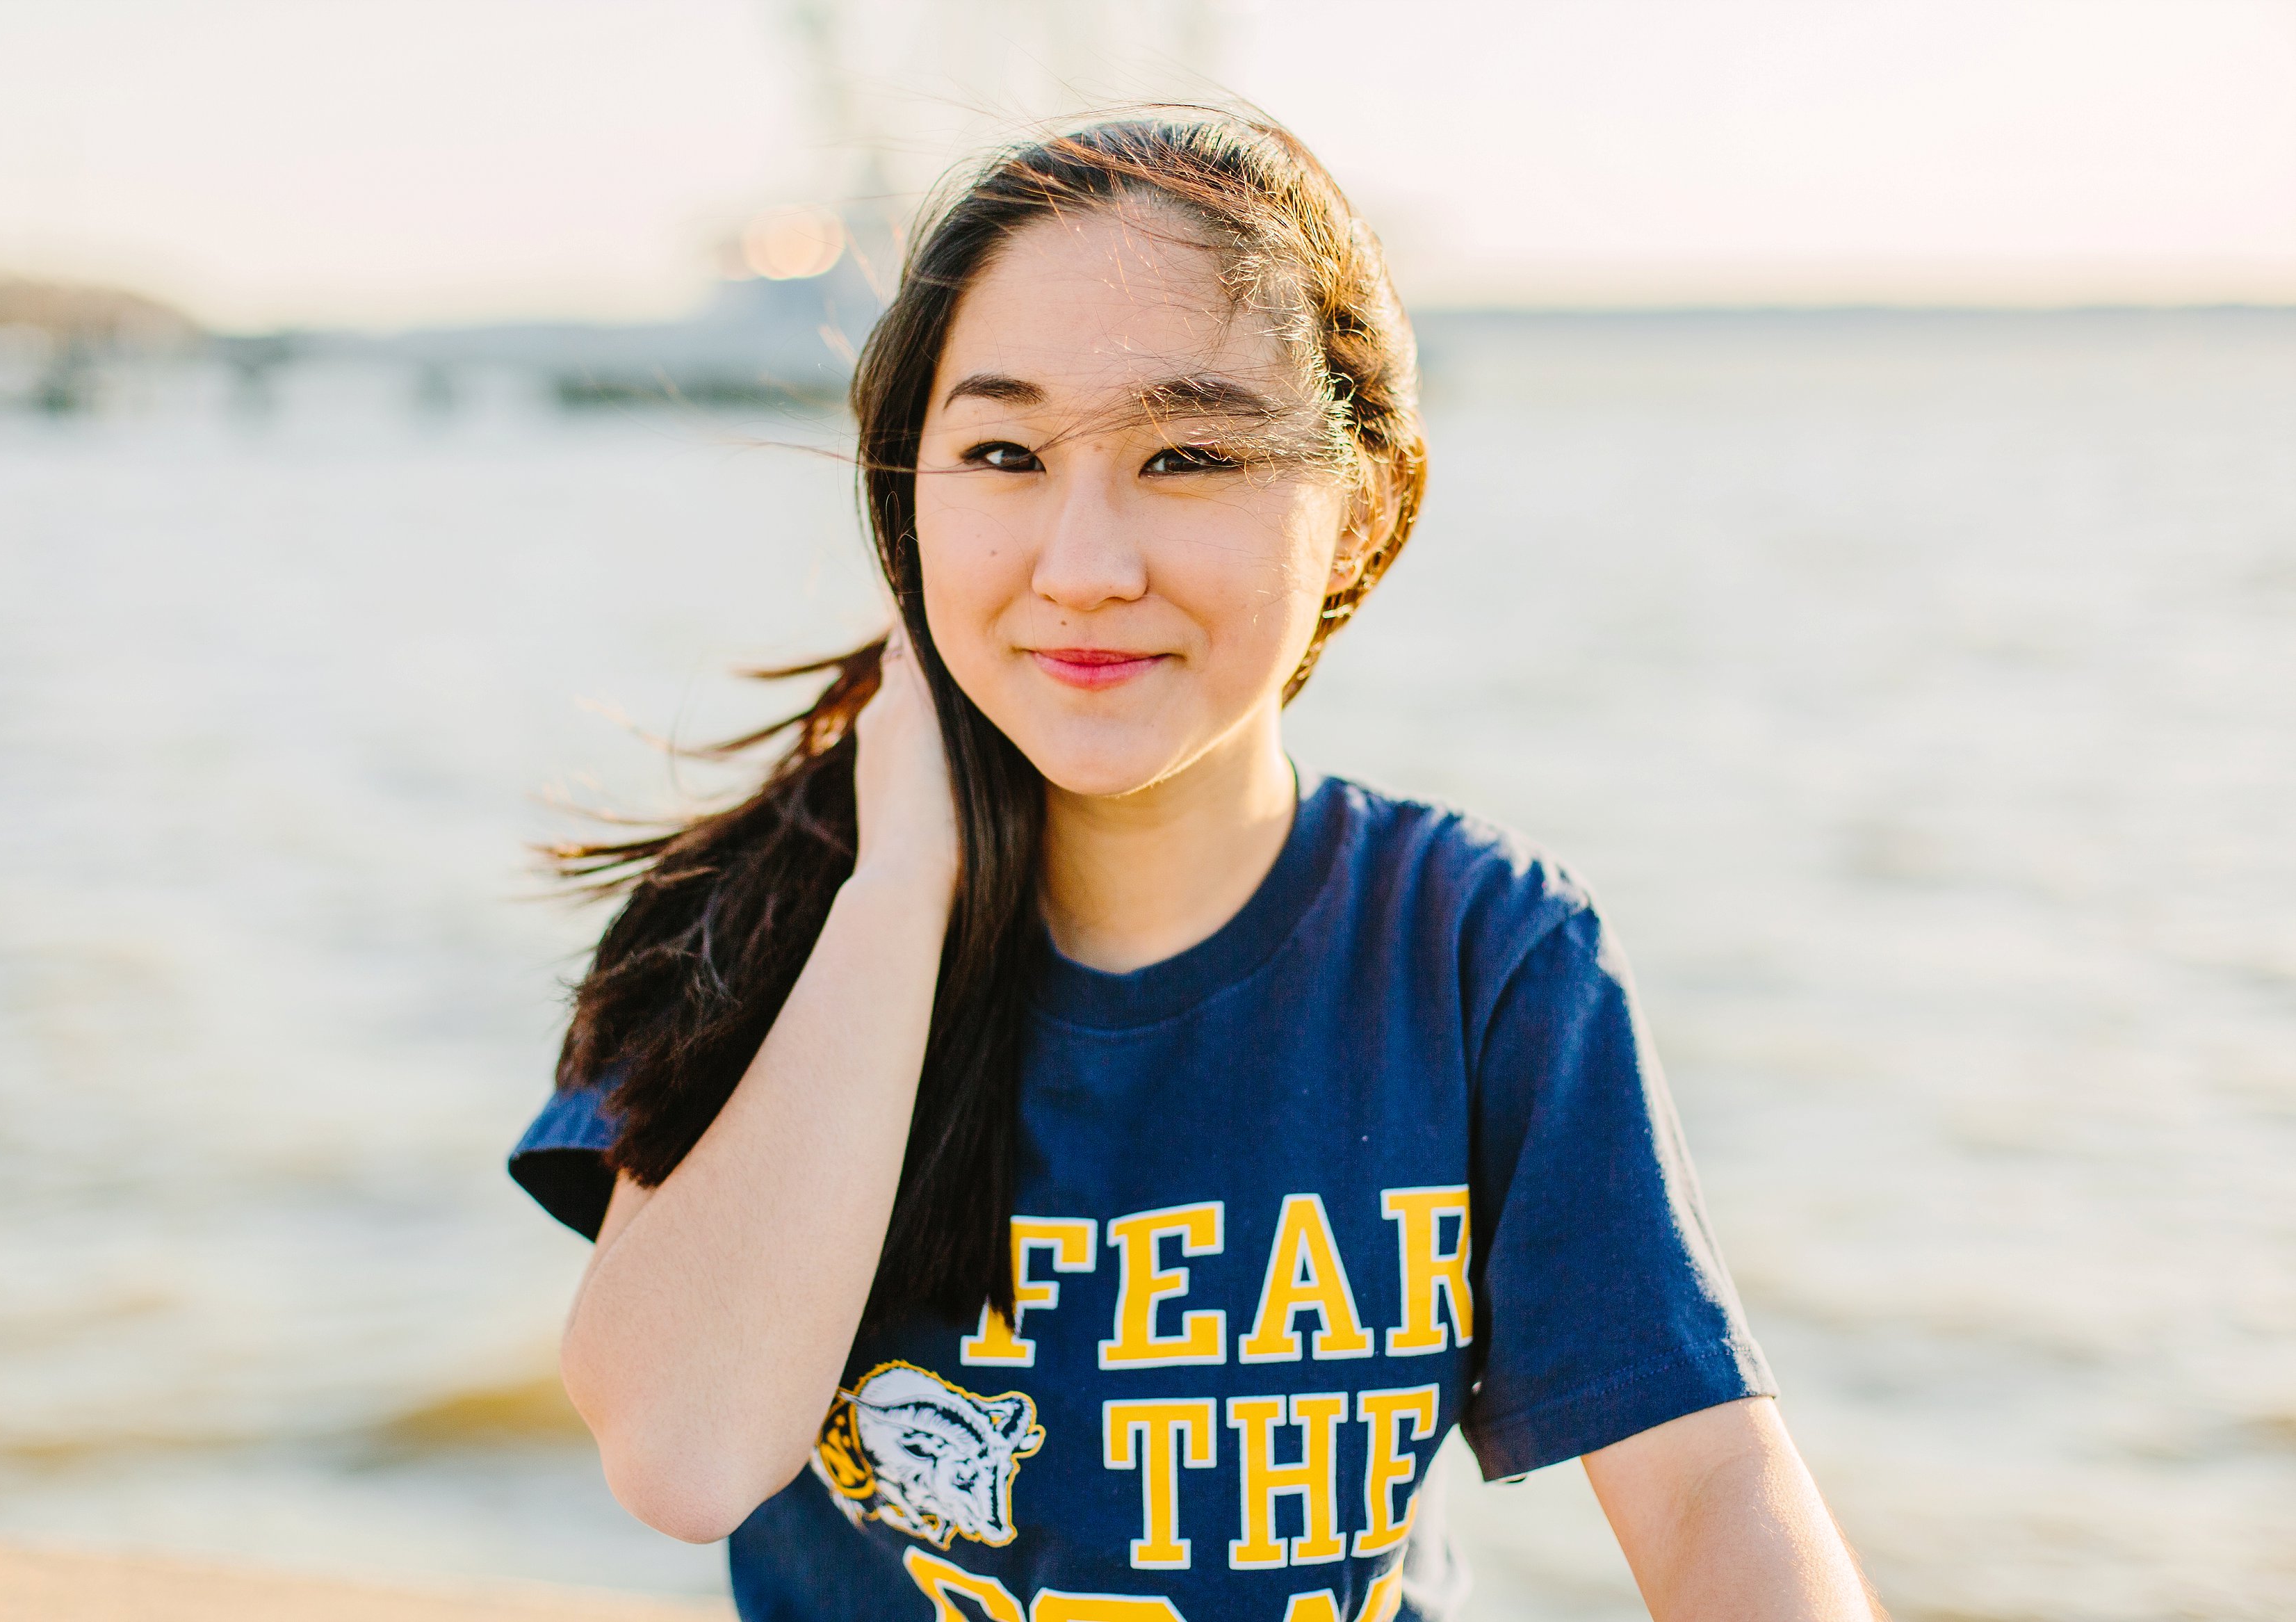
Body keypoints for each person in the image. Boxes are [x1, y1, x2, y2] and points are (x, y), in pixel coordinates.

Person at [510, 113, 1884, 1622]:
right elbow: (683, 1457)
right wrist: (901, 883)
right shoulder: (761, 919)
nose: (1085, 562)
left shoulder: (1473, 951)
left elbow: (1707, 1492)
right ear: (910, 500)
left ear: (1359, 513)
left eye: (1186, 454)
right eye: (1004, 453)